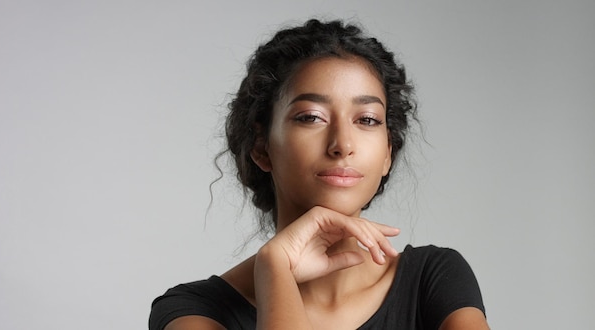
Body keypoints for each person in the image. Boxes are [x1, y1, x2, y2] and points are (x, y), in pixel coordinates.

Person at [149, 19, 488, 330]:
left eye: (366, 120)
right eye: (311, 117)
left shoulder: (437, 279)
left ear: (388, 153)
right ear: (261, 147)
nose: (342, 144)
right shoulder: (190, 311)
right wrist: (275, 270)